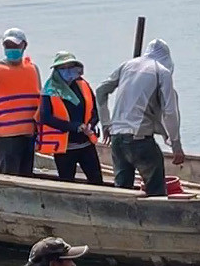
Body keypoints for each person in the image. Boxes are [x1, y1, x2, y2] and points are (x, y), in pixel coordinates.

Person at [97, 39, 183, 196]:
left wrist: (106, 123)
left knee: (122, 191)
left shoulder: (126, 65)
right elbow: (169, 112)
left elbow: (101, 91)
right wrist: (176, 144)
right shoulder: (161, 72)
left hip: (117, 138)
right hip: (140, 141)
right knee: (156, 190)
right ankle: (157, 218)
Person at [0, 28, 42, 176]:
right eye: (8, 46)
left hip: (28, 133)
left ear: (24, 46)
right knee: (9, 176)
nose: (11, 49)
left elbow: (40, 100)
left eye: (15, 46)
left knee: (27, 175)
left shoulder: (32, 69)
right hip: (5, 136)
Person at [37, 51, 104, 184]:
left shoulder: (82, 85)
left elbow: (95, 110)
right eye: (63, 68)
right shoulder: (49, 90)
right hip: (65, 147)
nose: (68, 71)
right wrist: (74, 127)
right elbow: (45, 117)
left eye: (71, 67)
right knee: (66, 181)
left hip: (86, 143)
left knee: (97, 180)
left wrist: (91, 124)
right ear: (57, 70)